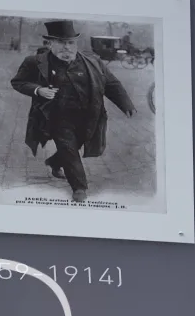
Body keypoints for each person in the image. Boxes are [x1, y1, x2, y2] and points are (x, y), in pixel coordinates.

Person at [11, 19, 136, 203]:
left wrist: (126, 104)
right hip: (56, 117)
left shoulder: (93, 62)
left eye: (70, 43)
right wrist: (38, 90)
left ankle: (54, 162)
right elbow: (18, 82)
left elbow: (111, 84)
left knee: (77, 143)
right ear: (49, 43)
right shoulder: (34, 62)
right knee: (68, 148)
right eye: (61, 43)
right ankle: (79, 188)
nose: (66, 47)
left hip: (88, 115)